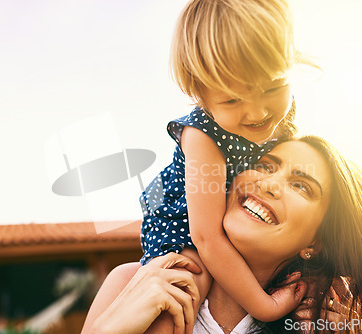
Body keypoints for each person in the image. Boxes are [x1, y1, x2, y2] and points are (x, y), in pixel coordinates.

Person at [83, 136, 362, 334]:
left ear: (314, 243)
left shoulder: (319, 326)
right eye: (265, 165)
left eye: (301, 185)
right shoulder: (131, 282)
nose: (267, 183)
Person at [139, 0, 311, 329]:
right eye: (233, 99)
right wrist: (265, 305)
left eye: (273, 87)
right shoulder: (202, 134)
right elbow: (206, 238)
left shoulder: (285, 118)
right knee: (183, 288)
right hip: (184, 224)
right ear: (200, 94)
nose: (259, 112)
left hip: (239, 218)